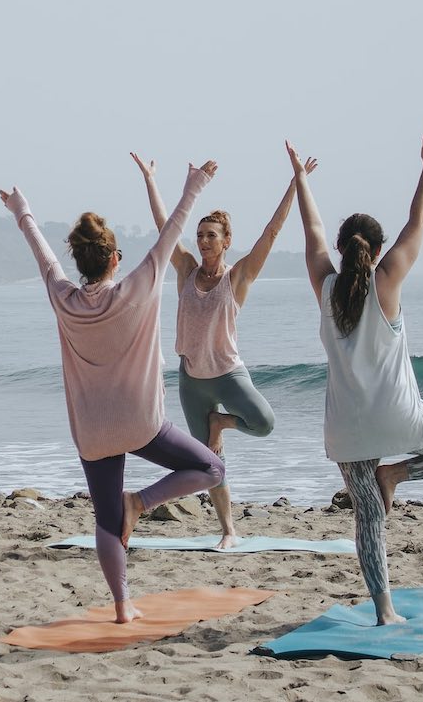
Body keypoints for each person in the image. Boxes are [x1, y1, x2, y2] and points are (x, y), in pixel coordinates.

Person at [0, 156, 225, 623]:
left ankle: (123, 608)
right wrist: (195, 186)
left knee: (105, 521)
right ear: (115, 258)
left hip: (93, 433)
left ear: (80, 262)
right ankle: (140, 503)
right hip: (142, 424)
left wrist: (22, 210)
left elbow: (42, 254)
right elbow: (172, 234)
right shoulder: (137, 288)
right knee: (212, 468)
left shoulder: (63, 297)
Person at [287, 124, 423, 624]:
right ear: (377, 251)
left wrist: (301, 179)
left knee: (368, 519)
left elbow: (311, 233)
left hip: (347, 430)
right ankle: (397, 472)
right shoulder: (388, 282)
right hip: (400, 419)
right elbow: (418, 218)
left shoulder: (325, 287)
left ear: (341, 250)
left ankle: (385, 611)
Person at [132, 152, 317, 549]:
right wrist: (150, 179)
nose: (202, 241)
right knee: (210, 466)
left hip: (229, 374)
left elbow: (271, 232)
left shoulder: (239, 277)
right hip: (192, 380)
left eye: (211, 235)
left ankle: (222, 423)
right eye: (200, 235)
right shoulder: (184, 270)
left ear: (227, 241)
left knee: (264, 422)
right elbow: (166, 226)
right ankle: (229, 530)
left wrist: (294, 183)